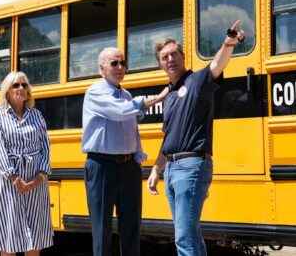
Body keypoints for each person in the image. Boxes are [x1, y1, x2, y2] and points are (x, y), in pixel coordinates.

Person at [146, 21, 245, 256]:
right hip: (171, 167)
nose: (170, 59)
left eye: (173, 54)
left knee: (184, 236)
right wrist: (156, 169)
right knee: (190, 234)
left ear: (182, 56)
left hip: (191, 165)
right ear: (160, 64)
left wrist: (228, 42)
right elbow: (168, 137)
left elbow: (217, 65)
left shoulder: (198, 81)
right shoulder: (169, 97)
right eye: (164, 57)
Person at [82, 47, 169, 256]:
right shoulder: (95, 91)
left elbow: (132, 129)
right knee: (102, 228)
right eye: (114, 63)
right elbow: (120, 112)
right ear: (102, 69)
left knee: (131, 226)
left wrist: (137, 156)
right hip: (102, 165)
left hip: (128, 166)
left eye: (123, 63)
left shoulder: (126, 94)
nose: (120, 67)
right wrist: (156, 98)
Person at [0, 71, 53, 256]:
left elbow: (45, 147)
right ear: (7, 91)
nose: (21, 88)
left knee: (34, 238)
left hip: (35, 184)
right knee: (9, 238)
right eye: (16, 85)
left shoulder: (37, 115)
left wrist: (40, 177)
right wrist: (14, 177)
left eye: (24, 85)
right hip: (8, 183)